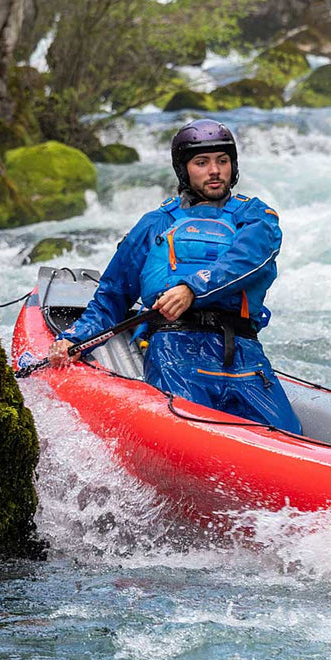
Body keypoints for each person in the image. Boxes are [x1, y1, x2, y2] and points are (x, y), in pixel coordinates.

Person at [48, 118, 301, 433]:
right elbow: (113, 295)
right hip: (174, 351)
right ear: (184, 171)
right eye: (202, 162)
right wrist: (73, 339)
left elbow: (247, 260)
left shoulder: (255, 216)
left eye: (223, 161)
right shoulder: (155, 223)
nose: (215, 170)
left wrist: (191, 290)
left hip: (243, 354)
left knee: (291, 437)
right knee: (194, 433)